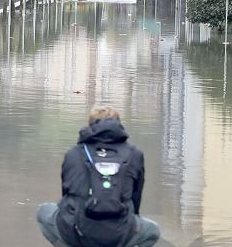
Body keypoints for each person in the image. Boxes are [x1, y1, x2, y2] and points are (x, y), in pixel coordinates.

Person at [37, 106, 161, 247]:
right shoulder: (134, 154)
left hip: (78, 233)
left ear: (90, 125)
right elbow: (135, 198)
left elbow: (67, 195)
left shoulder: (74, 154)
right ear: (119, 124)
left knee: (44, 211)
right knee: (153, 231)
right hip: (120, 234)